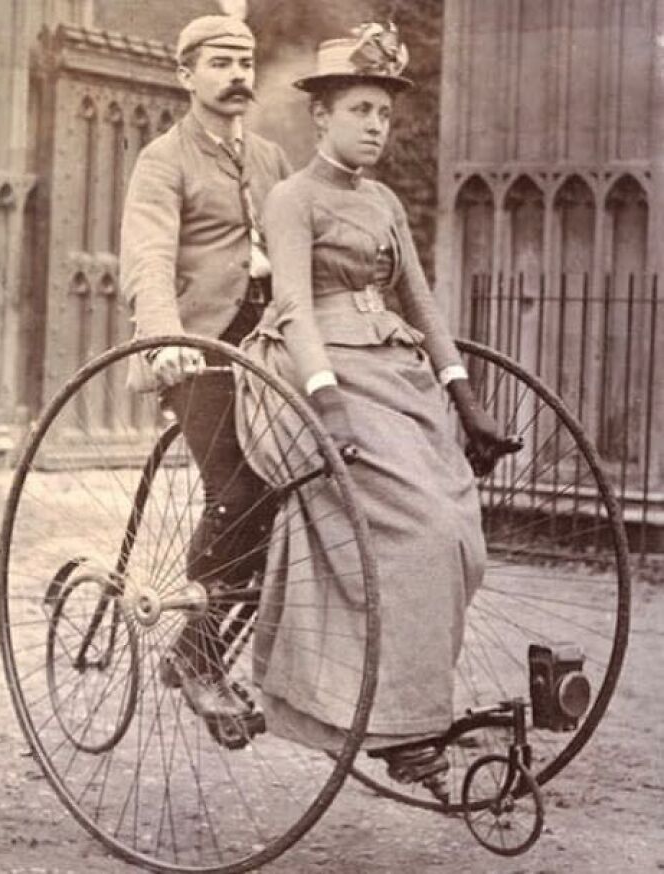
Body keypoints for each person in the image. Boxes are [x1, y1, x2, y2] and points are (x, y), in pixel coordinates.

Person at [235, 22, 520, 801]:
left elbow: (422, 304)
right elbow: (292, 305)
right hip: (314, 372)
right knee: (417, 531)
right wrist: (326, 403)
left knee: (459, 530)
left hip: (394, 376)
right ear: (320, 115)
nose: (374, 126)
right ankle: (397, 729)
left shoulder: (386, 201)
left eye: (384, 115)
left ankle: (410, 706)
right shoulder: (292, 199)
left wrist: (466, 399)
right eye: (360, 108)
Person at [120, 13, 291, 719]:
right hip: (199, 352)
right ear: (185, 75)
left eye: (246, 62)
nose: (237, 76)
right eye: (220, 63)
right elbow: (149, 256)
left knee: (296, 488)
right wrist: (165, 336)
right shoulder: (164, 159)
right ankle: (198, 652)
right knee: (243, 487)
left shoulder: (273, 159)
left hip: (269, 347)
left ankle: (212, 647)